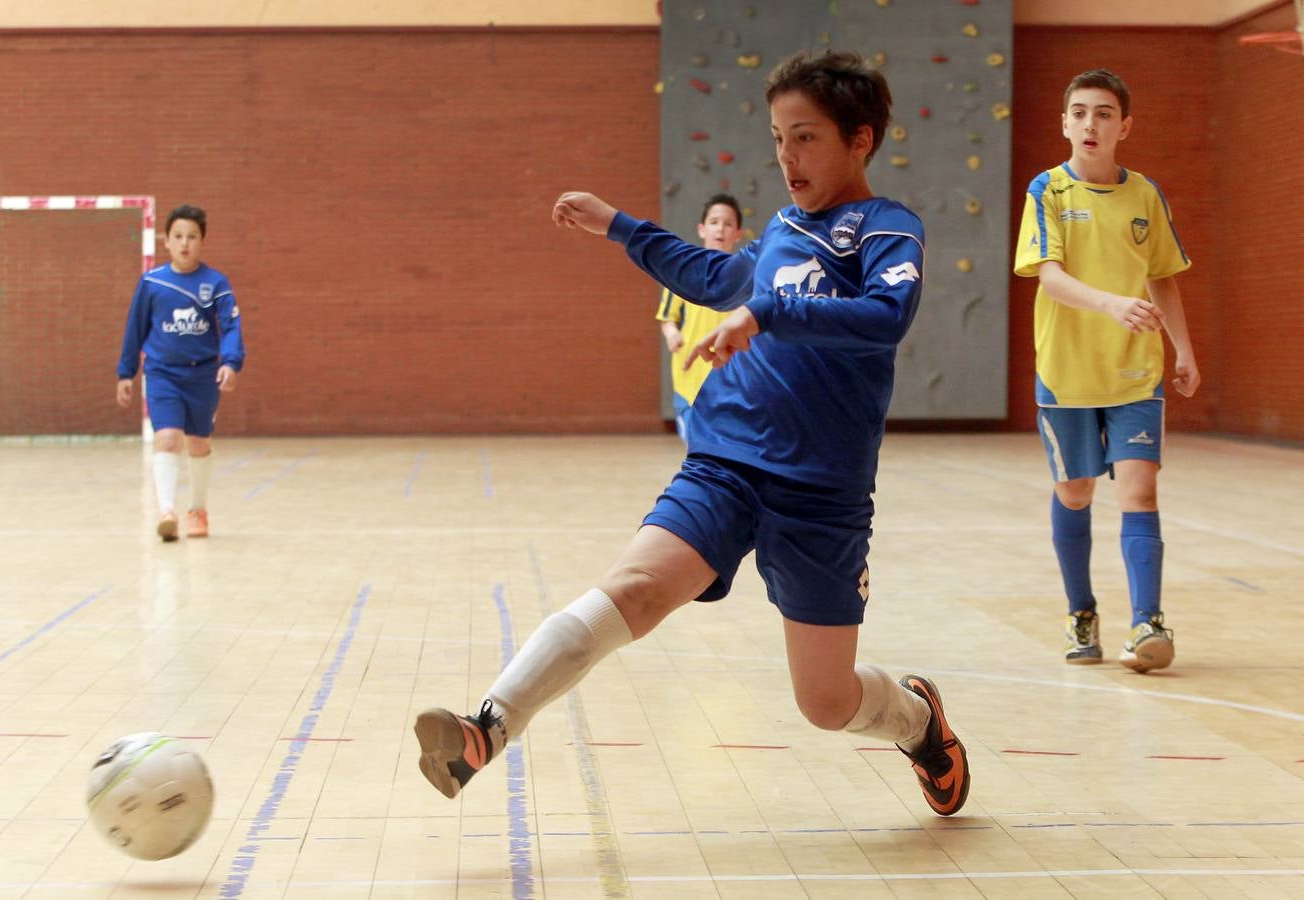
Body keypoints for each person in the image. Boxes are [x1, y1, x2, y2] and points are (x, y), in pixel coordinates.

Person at [414, 49, 970, 818]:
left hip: (821, 490)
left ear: (860, 140)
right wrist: (616, 225)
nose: (786, 157)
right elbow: (711, 277)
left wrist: (769, 311)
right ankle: (486, 728)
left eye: (805, 137)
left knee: (825, 701)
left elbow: (887, 317)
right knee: (634, 590)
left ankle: (915, 719)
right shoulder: (778, 230)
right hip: (727, 461)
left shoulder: (884, 228)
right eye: (778, 138)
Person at [1014, 69, 1199, 672]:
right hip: (1066, 373)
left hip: (1133, 374)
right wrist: (1114, 303)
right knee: (1075, 493)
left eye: (1103, 113)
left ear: (1124, 126)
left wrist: (1184, 349)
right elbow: (1050, 277)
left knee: (1140, 491)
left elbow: (1163, 276)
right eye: (1079, 113)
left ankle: (1148, 622)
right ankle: (1081, 611)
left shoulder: (1146, 195)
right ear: (1064, 122)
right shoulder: (1047, 190)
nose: (1090, 124)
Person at [116, 204, 245, 542]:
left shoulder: (216, 283)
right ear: (166, 241)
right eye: (178, 236)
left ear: (202, 241)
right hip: (162, 374)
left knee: (198, 442)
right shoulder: (152, 283)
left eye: (192, 237)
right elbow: (135, 329)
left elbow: (231, 327)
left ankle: (198, 510)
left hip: (202, 376)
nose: (185, 243)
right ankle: (167, 511)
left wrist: (230, 363)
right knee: (167, 438)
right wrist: (126, 372)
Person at [656, 194, 742, 442]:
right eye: (714, 221)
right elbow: (667, 317)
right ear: (702, 229)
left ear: (738, 233)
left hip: (731, 380)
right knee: (698, 450)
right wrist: (672, 333)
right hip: (690, 379)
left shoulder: (747, 276)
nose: (721, 228)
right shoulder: (683, 271)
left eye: (728, 223)